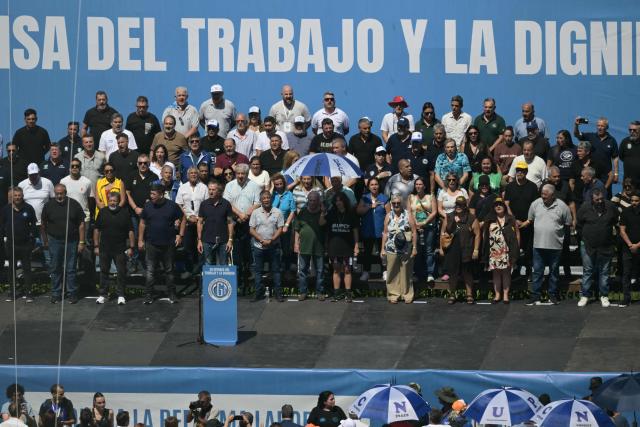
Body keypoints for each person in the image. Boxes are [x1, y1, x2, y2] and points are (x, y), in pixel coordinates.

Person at [524, 184, 572, 305]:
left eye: (545, 195)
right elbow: (530, 219)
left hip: (555, 246)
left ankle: (552, 295)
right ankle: (535, 296)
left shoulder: (562, 206)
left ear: (553, 195)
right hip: (538, 245)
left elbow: (568, 223)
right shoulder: (535, 204)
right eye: (542, 194)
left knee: (554, 272)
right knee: (538, 272)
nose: (543, 196)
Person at [138, 184, 186, 304]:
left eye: (154, 194)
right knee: (150, 271)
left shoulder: (172, 206)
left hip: (168, 243)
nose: (151, 196)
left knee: (169, 271)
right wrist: (140, 240)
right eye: (151, 193)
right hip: (151, 243)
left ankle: (172, 294)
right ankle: (148, 295)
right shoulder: (148, 206)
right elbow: (142, 223)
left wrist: (180, 235)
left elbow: (183, 218)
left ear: (161, 194)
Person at [41, 184, 85, 304]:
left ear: (65, 192)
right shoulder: (48, 205)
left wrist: (81, 242)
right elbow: (43, 224)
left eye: (61, 193)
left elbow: (81, 223)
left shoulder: (74, 204)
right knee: (55, 268)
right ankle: (56, 293)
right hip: (55, 241)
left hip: (71, 241)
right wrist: (45, 240)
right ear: (54, 193)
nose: (59, 196)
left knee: (71, 268)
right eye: (57, 193)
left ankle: (72, 293)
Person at [576, 188, 618, 307]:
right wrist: (585, 237)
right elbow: (579, 224)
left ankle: (604, 295)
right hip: (588, 245)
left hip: (606, 245)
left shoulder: (610, 206)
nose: (599, 201)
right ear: (592, 199)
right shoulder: (585, 207)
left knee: (604, 272)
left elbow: (616, 220)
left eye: (601, 199)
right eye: (597, 199)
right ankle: (585, 295)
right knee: (588, 271)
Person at [223, 164, 262, 291]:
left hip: (250, 224)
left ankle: (251, 285)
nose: (240, 176)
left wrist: (246, 215)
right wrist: (240, 214)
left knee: (250, 256)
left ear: (247, 174)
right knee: (237, 257)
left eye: (243, 174)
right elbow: (227, 203)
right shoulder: (229, 186)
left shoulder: (254, 186)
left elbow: (257, 203)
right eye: (238, 173)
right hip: (234, 223)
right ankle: (239, 284)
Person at [94, 192, 133, 305]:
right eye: (111, 200)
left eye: (115, 201)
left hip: (120, 248)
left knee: (121, 272)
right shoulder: (102, 212)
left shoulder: (124, 213)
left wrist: (131, 246)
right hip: (104, 248)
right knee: (104, 272)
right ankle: (103, 294)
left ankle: (121, 295)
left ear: (118, 201)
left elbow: (130, 230)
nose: (112, 203)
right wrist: (96, 246)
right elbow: (96, 230)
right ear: (108, 200)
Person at [441, 196, 480, 304]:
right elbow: (443, 233)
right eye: (457, 204)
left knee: (467, 273)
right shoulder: (449, 216)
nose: (459, 207)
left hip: (466, 249)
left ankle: (469, 295)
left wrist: (476, 249)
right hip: (452, 250)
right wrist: (441, 248)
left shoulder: (472, 218)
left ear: (465, 206)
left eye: (461, 205)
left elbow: (477, 235)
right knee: (453, 273)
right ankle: (452, 294)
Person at [504, 162, 539, 280]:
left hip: (528, 223)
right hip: (513, 223)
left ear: (526, 172)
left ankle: (529, 270)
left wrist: (528, 221)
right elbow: (506, 204)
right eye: (518, 170)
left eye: (522, 170)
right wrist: (514, 220)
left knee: (529, 248)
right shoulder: (509, 186)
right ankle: (516, 269)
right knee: (514, 247)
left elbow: (535, 206)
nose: (520, 172)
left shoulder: (533, 187)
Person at [380, 194, 418, 303]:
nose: (396, 205)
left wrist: (415, 247)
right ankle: (393, 295)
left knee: (406, 272)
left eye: (398, 203)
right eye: (394, 203)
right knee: (392, 272)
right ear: (391, 204)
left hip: (406, 249)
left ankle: (407, 294)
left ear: (402, 203)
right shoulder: (388, 215)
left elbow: (414, 232)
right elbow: (385, 233)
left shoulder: (408, 215)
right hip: (391, 249)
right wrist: (382, 248)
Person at [482, 198, 519, 304]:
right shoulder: (489, 219)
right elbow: (485, 234)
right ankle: (497, 295)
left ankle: (506, 295)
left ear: (504, 206)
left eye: (500, 205)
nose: (498, 206)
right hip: (493, 250)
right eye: (496, 205)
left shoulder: (511, 219)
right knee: (496, 273)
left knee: (506, 272)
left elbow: (517, 234)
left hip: (506, 250)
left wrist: (516, 248)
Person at [2, 188, 37, 302]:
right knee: (12, 269)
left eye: (19, 195)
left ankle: (29, 294)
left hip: (25, 244)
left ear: (22, 196)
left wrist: (32, 241)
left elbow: (33, 225)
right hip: (11, 244)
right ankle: (12, 293)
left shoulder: (29, 208)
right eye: (15, 195)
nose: (17, 197)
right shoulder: (6, 209)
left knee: (27, 269)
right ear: (12, 197)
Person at [249, 189, 284, 301]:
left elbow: (280, 228)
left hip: (274, 246)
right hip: (259, 246)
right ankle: (258, 293)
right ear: (261, 200)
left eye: (268, 197)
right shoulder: (255, 212)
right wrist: (261, 240)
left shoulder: (278, 212)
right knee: (258, 271)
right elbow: (251, 229)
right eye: (264, 198)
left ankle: (278, 294)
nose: (266, 200)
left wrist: (272, 240)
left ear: (271, 199)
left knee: (276, 271)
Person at [326, 192, 359, 302]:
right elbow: (322, 223)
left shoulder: (351, 214)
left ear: (344, 201)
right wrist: (322, 213)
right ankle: (336, 293)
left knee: (347, 270)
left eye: (340, 200)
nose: (338, 202)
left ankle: (348, 293)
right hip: (334, 247)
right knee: (336, 270)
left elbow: (355, 231)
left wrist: (356, 246)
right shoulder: (331, 213)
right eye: (336, 200)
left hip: (348, 247)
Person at [294, 191, 327, 301]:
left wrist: (322, 212)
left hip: (319, 246)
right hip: (304, 245)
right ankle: (303, 292)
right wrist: (296, 243)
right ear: (308, 200)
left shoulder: (323, 212)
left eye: (315, 200)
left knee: (320, 270)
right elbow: (297, 229)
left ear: (319, 201)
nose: (312, 202)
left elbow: (323, 224)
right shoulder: (302, 212)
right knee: (302, 270)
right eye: (310, 200)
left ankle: (320, 292)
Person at [176, 167, 208, 276]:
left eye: (195, 173)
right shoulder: (183, 188)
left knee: (200, 247)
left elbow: (207, 204)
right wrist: (188, 216)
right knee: (188, 247)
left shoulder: (204, 187)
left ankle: (200, 270)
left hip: (201, 221)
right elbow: (179, 204)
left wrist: (200, 217)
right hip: (188, 222)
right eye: (191, 173)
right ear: (188, 175)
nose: (193, 175)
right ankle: (190, 270)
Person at [356, 178, 390, 282]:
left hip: (381, 230)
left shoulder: (384, 198)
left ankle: (384, 271)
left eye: (376, 184)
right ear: (368, 186)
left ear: (379, 186)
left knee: (383, 253)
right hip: (368, 230)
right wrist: (370, 206)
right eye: (372, 184)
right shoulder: (364, 198)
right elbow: (358, 211)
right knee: (367, 253)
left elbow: (389, 214)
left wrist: (387, 229)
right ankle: (366, 272)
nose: (374, 186)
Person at [574, 116, 619, 192]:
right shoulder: (591, 136)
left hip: (605, 175)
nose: (599, 128)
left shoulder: (612, 140)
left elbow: (615, 158)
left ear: (607, 127)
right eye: (598, 125)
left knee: (605, 195)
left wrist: (616, 174)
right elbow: (577, 135)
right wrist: (576, 125)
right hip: (591, 174)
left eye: (602, 126)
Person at [407, 177, 437, 283]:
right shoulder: (411, 197)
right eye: (417, 184)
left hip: (428, 227)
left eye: (420, 184)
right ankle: (417, 272)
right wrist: (414, 225)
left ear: (424, 186)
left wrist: (424, 222)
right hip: (415, 228)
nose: (418, 186)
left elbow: (434, 212)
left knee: (429, 250)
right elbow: (409, 212)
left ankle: (430, 273)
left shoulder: (431, 197)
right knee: (416, 250)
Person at [197, 181, 234, 267]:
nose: (211, 192)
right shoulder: (204, 204)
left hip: (223, 240)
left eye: (213, 189)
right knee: (208, 265)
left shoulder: (226, 204)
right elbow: (200, 222)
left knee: (223, 265)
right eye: (209, 189)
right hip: (207, 240)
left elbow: (230, 222)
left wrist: (230, 240)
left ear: (218, 191)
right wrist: (199, 240)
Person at [271, 173, 296, 271]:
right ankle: (274, 270)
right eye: (276, 184)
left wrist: (286, 225)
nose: (279, 186)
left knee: (286, 249)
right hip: (273, 225)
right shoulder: (272, 195)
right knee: (274, 249)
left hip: (285, 224)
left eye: (280, 184)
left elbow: (293, 211)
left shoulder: (289, 194)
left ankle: (286, 270)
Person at [619, 191, 640, 307]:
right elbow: (622, 230)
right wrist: (630, 244)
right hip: (628, 247)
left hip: (638, 245)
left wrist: (637, 245)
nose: (634, 203)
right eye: (632, 200)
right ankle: (626, 298)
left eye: (636, 201)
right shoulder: (626, 212)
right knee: (626, 273)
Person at [619, 120, 640, 188]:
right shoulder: (625, 142)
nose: (632, 132)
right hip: (627, 180)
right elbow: (621, 156)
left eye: (634, 130)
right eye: (630, 130)